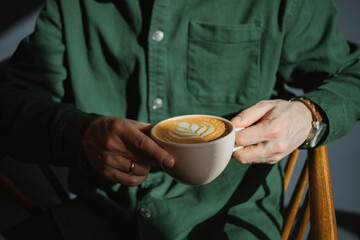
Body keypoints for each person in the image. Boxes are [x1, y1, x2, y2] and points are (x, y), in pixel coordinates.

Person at [1, 0, 360, 239]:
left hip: (229, 222)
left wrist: (309, 115)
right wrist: (81, 134)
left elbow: (352, 73)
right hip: (100, 216)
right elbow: (9, 98)